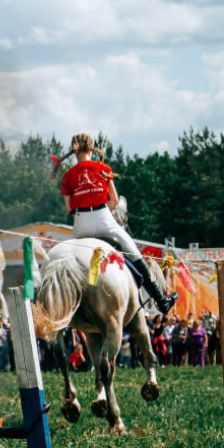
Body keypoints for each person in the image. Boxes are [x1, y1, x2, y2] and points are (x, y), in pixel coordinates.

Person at [56, 133, 176, 314]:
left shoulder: (67, 176)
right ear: (91, 149)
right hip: (103, 217)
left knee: (64, 258)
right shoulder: (103, 167)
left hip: (81, 222)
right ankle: (161, 300)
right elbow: (113, 201)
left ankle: (51, 304)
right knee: (134, 252)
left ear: (74, 152)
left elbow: (69, 208)